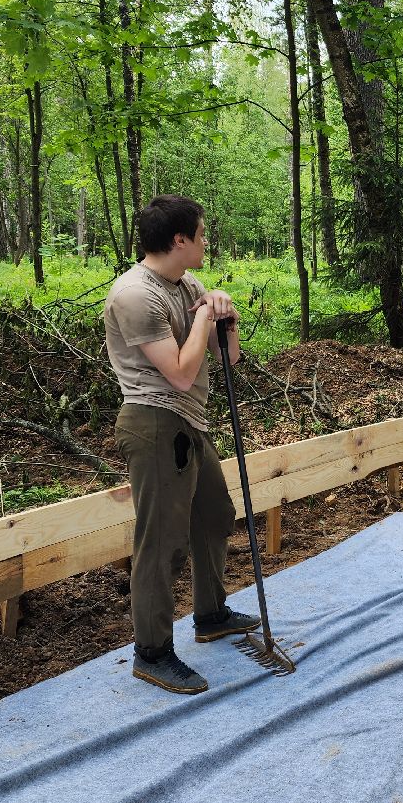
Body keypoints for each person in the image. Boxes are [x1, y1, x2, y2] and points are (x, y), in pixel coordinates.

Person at [104, 194, 258, 694]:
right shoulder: (134, 294)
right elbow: (180, 372)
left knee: (215, 513)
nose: (206, 241)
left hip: (190, 420)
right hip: (152, 421)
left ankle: (210, 614)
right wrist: (201, 319)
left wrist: (224, 318)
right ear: (179, 240)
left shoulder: (185, 283)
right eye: (202, 232)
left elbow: (225, 359)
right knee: (161, 540)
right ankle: (152, 652)